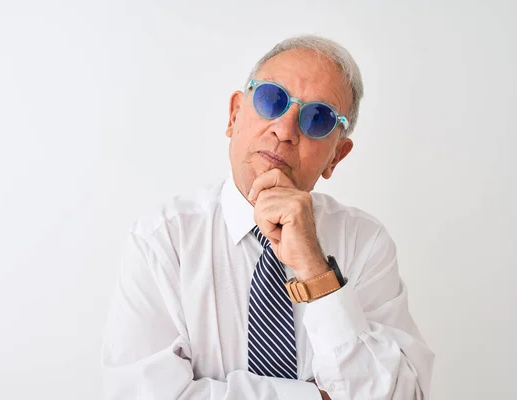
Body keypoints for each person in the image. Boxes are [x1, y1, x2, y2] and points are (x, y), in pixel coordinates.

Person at [101, 35, 434, 399]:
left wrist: (315, 269)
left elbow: (403, 395)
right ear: (234, 115)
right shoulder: (163, 240)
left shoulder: (365, 243)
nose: (285, 130)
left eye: (317, 118)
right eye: (272, 100)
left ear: (336, 156)